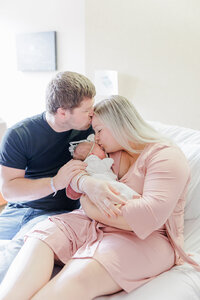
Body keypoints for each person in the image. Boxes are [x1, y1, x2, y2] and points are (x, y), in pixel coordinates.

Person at [1, 95, 199, 300]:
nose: (96, 138)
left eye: (99, 130)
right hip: (88, 224)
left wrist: (89, 206)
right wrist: (89, 185)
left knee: (79, 275)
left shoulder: (166, 157)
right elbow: (75, 175)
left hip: (144, 238)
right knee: (40, 238)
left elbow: (147, 216)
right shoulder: (109, 155)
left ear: (120, 125)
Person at [0, 71, 96, 283]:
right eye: (87, 110)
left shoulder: (92, 129)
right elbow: (9, 190)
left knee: (18, 251)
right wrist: (55, 182)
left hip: (55, 213)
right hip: (20, 208)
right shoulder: (20, 135)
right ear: (62, 113)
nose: (93, 114)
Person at [72, 140, 139, 201]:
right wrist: (109, 161)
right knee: (120, 188)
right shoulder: (92, 160)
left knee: (117, 190)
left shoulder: (89, 162)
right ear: (92, 154)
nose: (104, 150)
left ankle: (131, 198)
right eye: (101, 149)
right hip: (100, 180)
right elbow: (101, 166)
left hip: (102, 183)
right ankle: (133, 197)